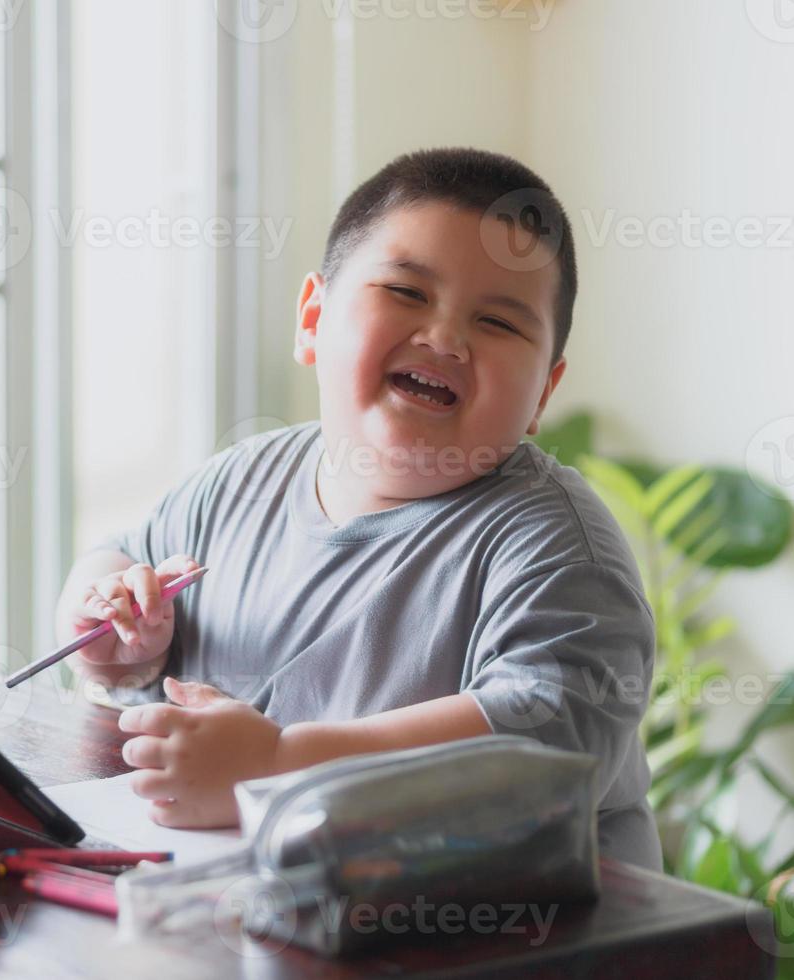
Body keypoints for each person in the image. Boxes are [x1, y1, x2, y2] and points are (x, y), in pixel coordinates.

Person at [55, 147, 661, 870]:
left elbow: (550, 742)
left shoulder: (553, 547)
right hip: (255, 919)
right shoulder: (238, 483)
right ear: (312, 318)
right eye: (406, 292)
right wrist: (115, 639)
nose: (445, 338)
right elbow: (124, 554)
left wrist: (280, 764)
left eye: (499, 323)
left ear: (543, 394)